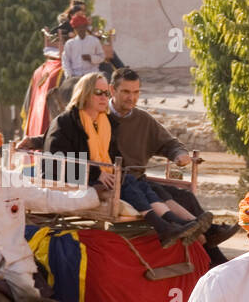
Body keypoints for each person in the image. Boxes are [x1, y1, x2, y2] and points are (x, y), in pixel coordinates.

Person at [0, 128, 99, 299]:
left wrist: (92, 195)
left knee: (29, 298)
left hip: (13, 257)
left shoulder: (15, 181)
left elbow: (49, 199)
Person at [43, 71, 196, 246]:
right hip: (72, 179)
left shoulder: (105, 123)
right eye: (98, 93)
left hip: (101, 176)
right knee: (125, 183)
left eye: (105, 93)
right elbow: (53, 162)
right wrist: (95, 173)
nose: (103, 98)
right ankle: (163, 225)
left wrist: (113, 173)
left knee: (134, 181)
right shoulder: (65, 122)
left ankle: (172, 223)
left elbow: (114, 157)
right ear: (84, 93)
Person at [108, 67, 234, 262]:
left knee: (184, 196)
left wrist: (178, 155)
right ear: (112, 90)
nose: (131, 98)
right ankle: (211, 248)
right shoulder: (100, 118)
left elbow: (169, 143)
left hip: (141, 181)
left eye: (136, 92)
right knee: (154, 191)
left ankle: (211, 244)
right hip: (120, 183)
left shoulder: (142, 119)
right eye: (125, 92)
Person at [62, 13, 105, 79]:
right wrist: (69, 75)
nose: (81, 29)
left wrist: (91, 58)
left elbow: (102, 57)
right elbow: (66, 61)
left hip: (92, 75)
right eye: (78, 27)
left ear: (86, 27)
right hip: (75, 76)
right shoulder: (70, 44)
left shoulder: (94, 41)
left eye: (82, 27)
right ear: (74, 29)